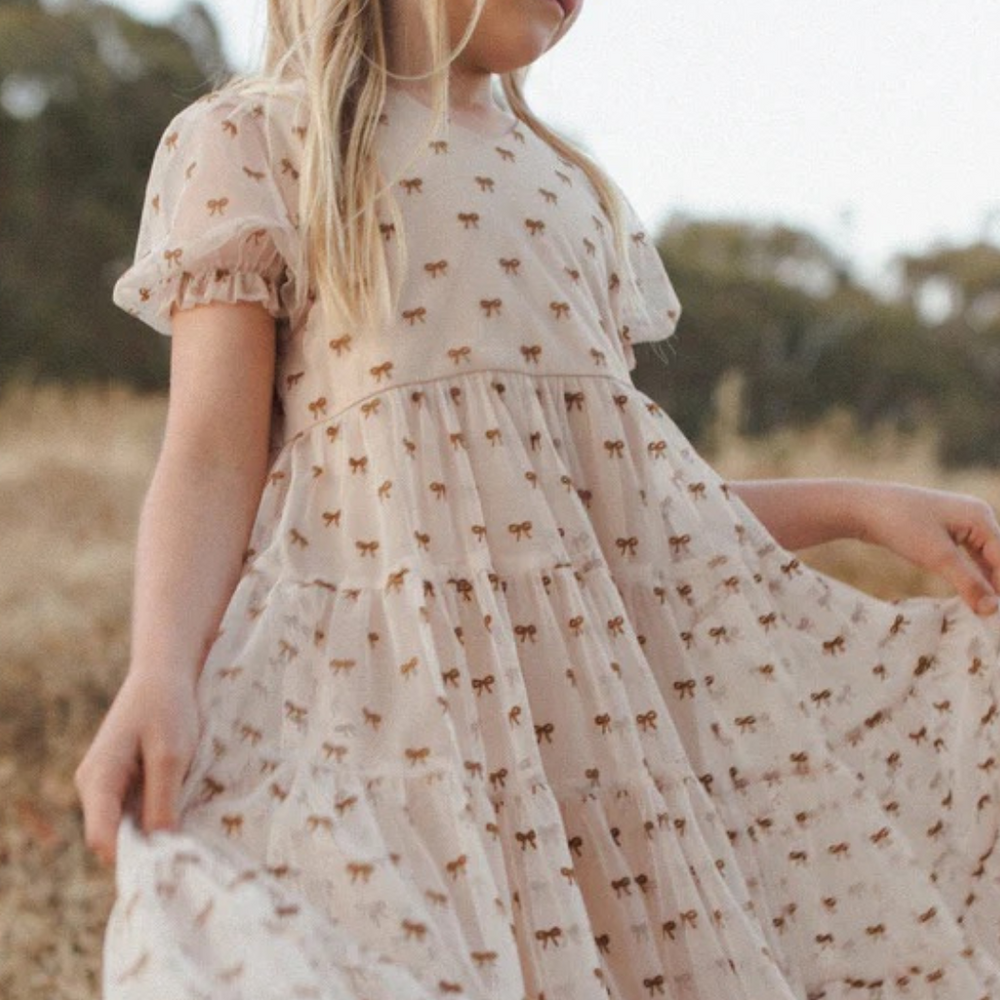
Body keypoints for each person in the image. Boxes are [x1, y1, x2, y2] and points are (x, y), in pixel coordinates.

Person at [74, 0, 1000, 997]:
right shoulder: (255, 140)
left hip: (590, 739)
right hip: (373, 704)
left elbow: (618, 510)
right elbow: (212, 454)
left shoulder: (572, 189)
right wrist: (161, 666)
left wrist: (858, 505)